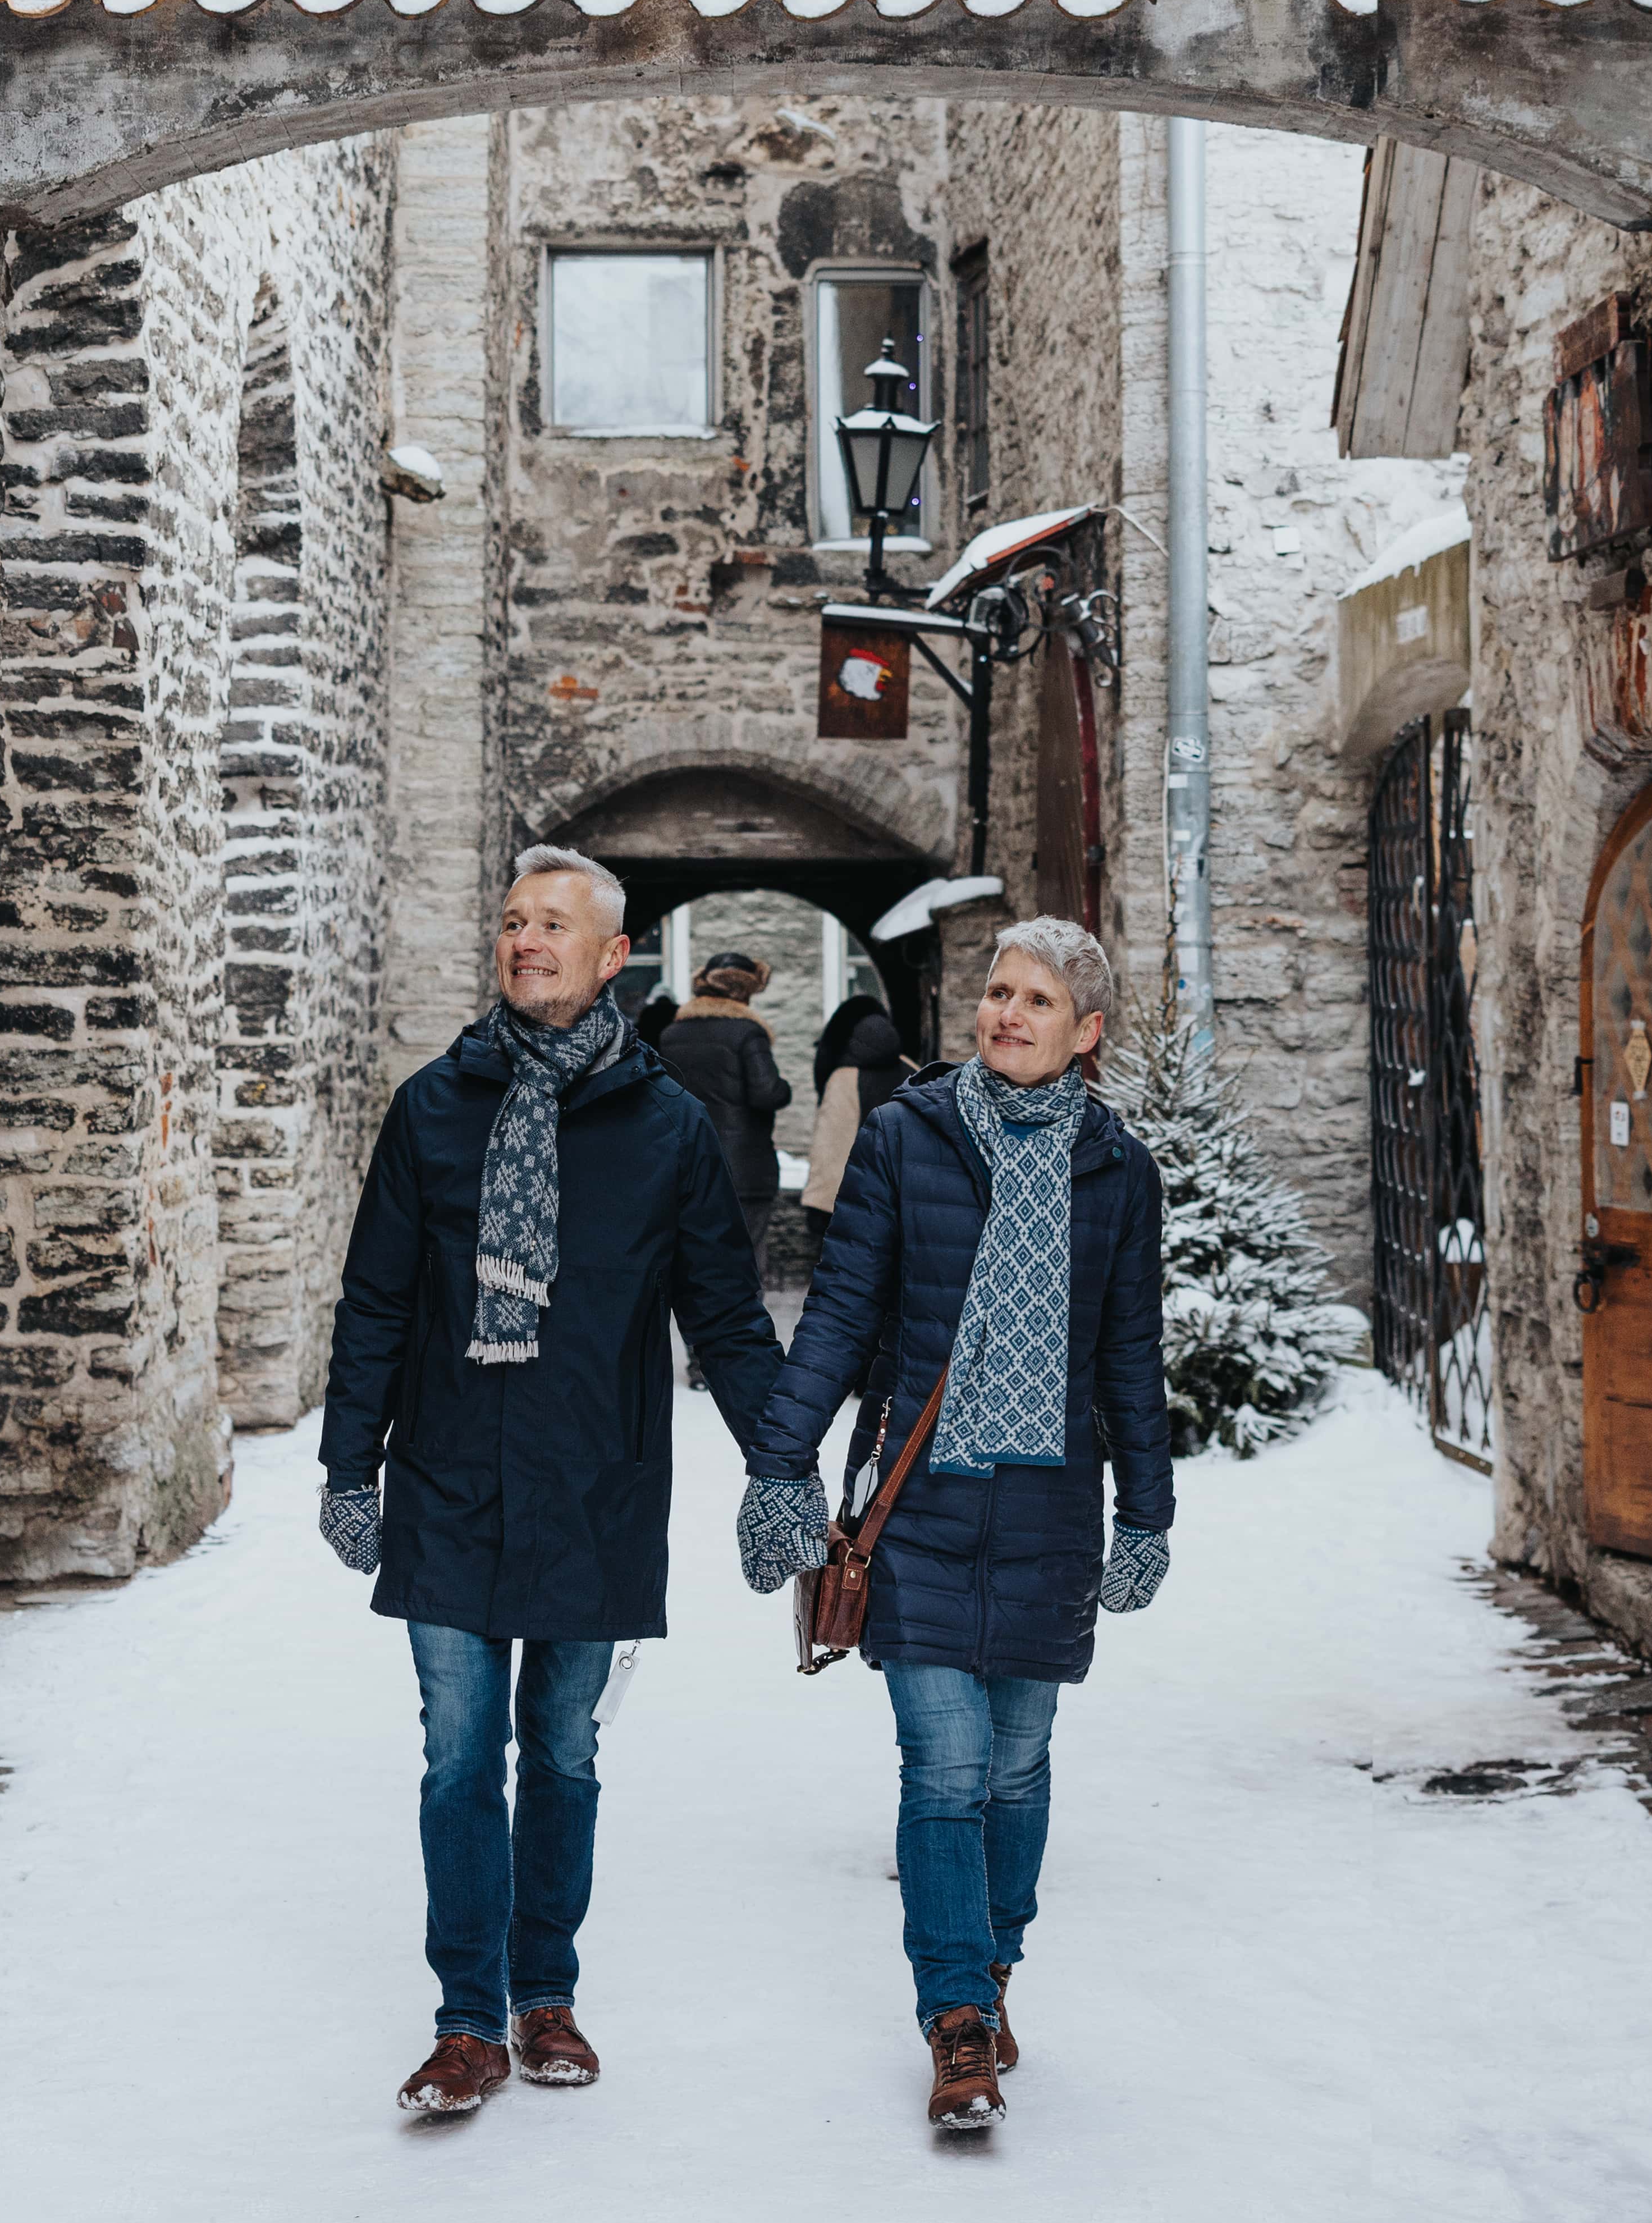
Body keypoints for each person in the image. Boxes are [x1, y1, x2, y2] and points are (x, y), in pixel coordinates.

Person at [321, 847, 785, 2116]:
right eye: (512, 920)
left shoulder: (666, 1128)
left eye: (553, 925)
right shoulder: (431, 1106)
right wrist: (345, 1460)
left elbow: (727, 1318)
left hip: (598, 1484)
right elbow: (373, 1300)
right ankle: (467, 2018)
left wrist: (779, 1463)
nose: (526, 940)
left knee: (563, 1755)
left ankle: (546, 1996)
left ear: (610, 957)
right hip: (450, 1474)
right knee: (458, 1755)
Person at [734, 918, 1173, 2131]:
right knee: (945, 1765)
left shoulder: (1121, 1173)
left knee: (1019, 1765)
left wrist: (1148, 1508)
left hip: (1049, 1504)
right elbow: (836, 1319)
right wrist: (782, 1466)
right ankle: (956, 2017)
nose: (1006, 1012)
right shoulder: (905, 1136)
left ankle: (995, 1966)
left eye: (1037, 998)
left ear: (1086, 1032)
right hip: (916, 1500)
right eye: (996, 991)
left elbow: (1131, 1356)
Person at [652, 948, 790, 1273]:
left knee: (700, 1260)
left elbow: (663, 1098)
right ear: (743, 991)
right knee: (746, 1258)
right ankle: (744, 1323)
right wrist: (785, 1087)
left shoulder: (672, 1035)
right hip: (744, 1167)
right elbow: (767, 1093)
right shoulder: (748, 1033)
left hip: (687, 1164)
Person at [797, 993, 911, 1229]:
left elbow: (832, 1147)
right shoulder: (913, 1071)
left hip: (853, 1206)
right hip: (904, 1200)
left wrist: (820, 1207)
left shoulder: (844, 1078)